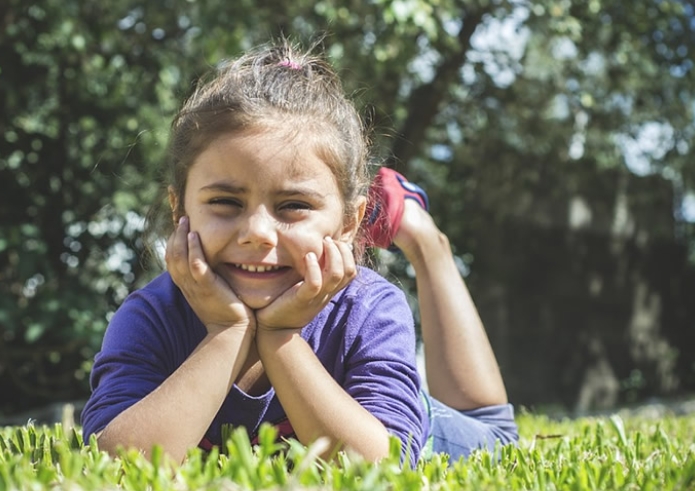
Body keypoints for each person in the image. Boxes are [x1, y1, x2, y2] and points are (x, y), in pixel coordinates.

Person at [80, 41, 518, 465]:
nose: (257, 234)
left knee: (497, 432)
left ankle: (421, 234)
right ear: (180, 209)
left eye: (293, 206)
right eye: (226, 202)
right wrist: (226, 331)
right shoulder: (151, 315)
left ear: (349, 223)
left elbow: (378, 469)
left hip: (432, 427)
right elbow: (112, 463)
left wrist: (280, 336)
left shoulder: (370, 308)